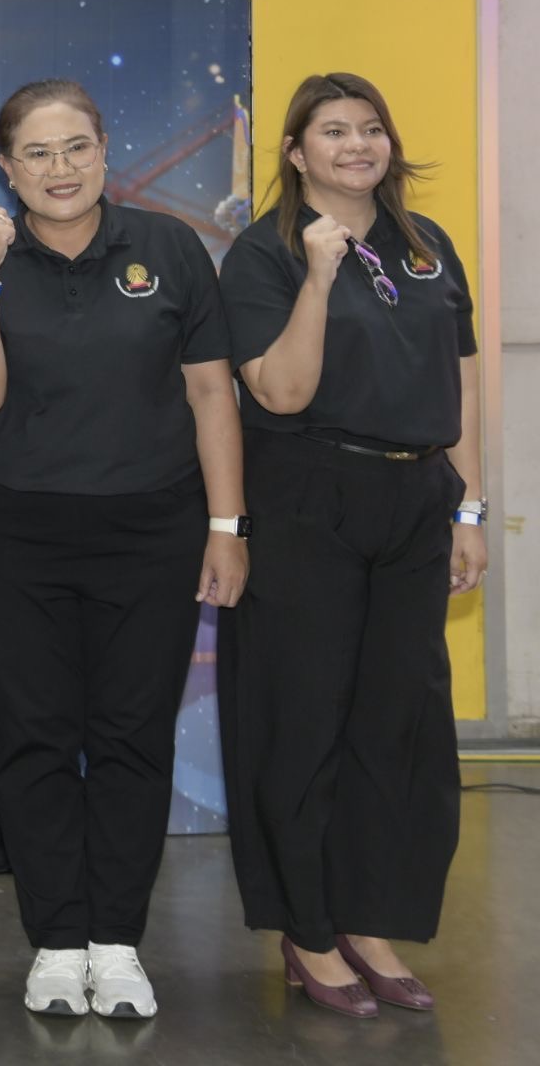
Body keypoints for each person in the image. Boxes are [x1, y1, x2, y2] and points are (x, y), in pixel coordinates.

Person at [0, 79, 249, 1022]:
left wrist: (227, 527)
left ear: (105, 151)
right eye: (37, 153)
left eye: (76, 148)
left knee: (131, 737)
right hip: (14, 536)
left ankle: (115, 941)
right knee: (34, 739)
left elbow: (211, 394)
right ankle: (57, 942)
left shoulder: (169, 248)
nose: (60, 169)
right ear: (6, 167)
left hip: (152, 533)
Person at [217, 72, 487, 1019]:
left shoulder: (427, 245)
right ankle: (308, 930)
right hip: (308, 498)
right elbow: (280, 392)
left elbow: (463, 380)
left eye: (371, 128)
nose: (358, 145)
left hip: (415, 496)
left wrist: (470, 508)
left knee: (396, 721)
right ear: (297, 154)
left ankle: (369, 920)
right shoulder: (265, 253)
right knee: (304, 719)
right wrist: (321, 276)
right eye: (334, 131)